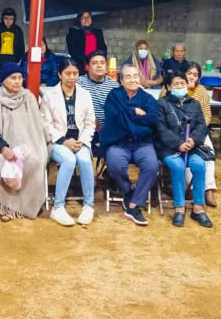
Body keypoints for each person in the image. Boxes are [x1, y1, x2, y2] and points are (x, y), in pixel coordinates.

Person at [0, 62, 48, 221]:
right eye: (13, 78)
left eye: (20, 78)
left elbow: (37, 126)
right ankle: (5, 208)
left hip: (26, 146)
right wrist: (3, 148)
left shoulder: (28, 97)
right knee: (2, 163)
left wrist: (34, 147)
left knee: (35, 161)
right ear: (3, 80)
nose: (17, 81)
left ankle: (26, 206)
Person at [100, 64, 160, 226]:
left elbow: (153, 119)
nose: (132, 80)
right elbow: (113, 117)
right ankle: (128, 191)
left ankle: (134, 204)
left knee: (152, 166)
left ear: (140, 78)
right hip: (118, 142)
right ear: (121, 80)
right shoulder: (114, 95)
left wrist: (126, 116)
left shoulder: (148, 98)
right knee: (115, 165)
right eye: (128, 76)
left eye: (135, 76)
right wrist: (135, 112)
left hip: (142, 143)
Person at [40, 58, 96, 227]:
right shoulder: (49, 96)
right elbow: (46, 124)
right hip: (57, 142)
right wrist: (64, 141)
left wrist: (82, 141)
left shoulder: (85, 94)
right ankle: (58, 207)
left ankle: (88, 205)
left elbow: (90, 123)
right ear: (60, 75)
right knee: (69, 159)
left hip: (80, 141)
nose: (72, 77)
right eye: (68, 73)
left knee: (85, 160)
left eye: (75, 73)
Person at [155, 71, 212, 228]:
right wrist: (178, 143)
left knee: (199, 165)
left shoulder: (195, 104)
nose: (180, 86)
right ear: (168, 87)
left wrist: (193, 140)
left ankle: (198, 208)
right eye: (176, 84)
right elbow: (160, 129)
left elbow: (201, 126)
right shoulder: (161, 104)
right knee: (178, 166)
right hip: (169, 148)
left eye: (182, 83)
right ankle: (179, 208)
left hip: (191, 148)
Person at [184, 62, 218, 207]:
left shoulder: (202, 90)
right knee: (187, 151)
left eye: (195, 75)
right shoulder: (174, 86)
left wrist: (199, 131)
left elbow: (207, 115)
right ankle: (191, 188)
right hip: (179, 131)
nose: (192, 77)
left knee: (208, 151)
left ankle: (209, 189)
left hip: (198, 130)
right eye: (189, 73)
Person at [77, 51, 118, 136]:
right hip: (83, 130)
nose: (99, 66)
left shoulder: (114, 85)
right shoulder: (79, 83)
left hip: (109, 131)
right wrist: (92, 119)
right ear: (87, 67)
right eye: (94, 63)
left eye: (102, 63)